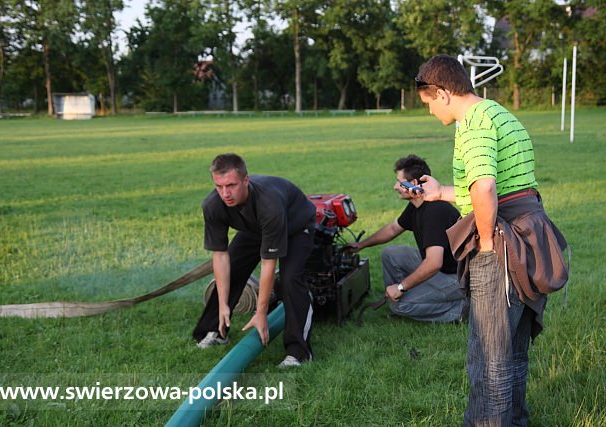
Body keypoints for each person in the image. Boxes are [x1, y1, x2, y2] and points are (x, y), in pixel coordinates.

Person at [415, 54, 567, 426]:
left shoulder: (473, 124)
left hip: (503, 241)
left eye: (430, 103)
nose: (431, 111)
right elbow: (505, 186)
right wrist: (439, 193)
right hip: (528, 233)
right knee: (512, 349)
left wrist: (485, 244)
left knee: (488, 357)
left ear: (444, 93)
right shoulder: (499, 113)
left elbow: (485, 186)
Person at [193, 153, 316, 368]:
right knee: (233, 265)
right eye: (219, 186)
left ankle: (299, 352)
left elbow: (268, 263)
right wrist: (223, 304)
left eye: (231, 185)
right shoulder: (213, 204)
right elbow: (220, 256)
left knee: (290, 279)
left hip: (295, 226)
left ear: (246, 181)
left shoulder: (269, 204)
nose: (225, 193)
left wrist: (261, 313)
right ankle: (217, 330)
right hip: (256, 228)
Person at [345, 154, 466, 322]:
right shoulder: (417, 204)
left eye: (399, 182)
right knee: (391, 254)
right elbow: (393, 228)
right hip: (440, 267)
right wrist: (361, 245)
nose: (395, 186)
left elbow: (433, 263)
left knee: (401, 305)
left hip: (456, 277)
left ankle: (462, 310)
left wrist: (401, 287)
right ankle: (401, 298)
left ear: (414, 184)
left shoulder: (435, 212)